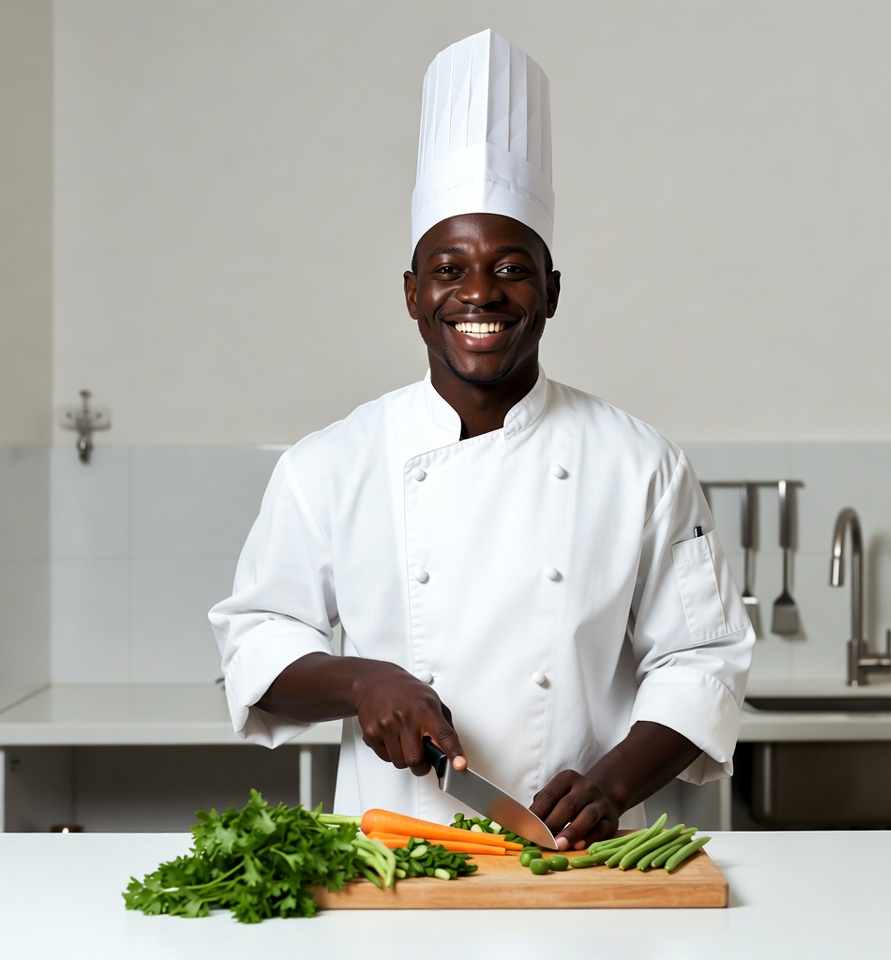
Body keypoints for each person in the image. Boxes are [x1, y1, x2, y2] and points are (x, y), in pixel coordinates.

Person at [209, 28, 754, 852]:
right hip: (391, 863)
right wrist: (364, 679)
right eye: (449, 266)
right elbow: (256, 645)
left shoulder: (640, 464)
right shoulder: (330, 464)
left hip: (577, 864)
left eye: (510, 266)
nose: (478, 293)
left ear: (551, 291)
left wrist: (613, 782)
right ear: (411, 293)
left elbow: (703, 661)